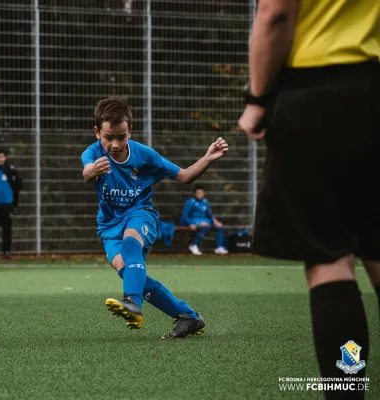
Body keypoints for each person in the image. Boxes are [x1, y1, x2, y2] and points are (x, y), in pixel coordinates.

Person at [238, 0, 380, 397]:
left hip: (321, 93)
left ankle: (346, 390)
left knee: (328, 258)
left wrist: (257, 99)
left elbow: (276, 13)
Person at [82, 97, 228, 338]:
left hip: (141, 214)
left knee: (131, 246)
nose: (116, 144)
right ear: (98, 132)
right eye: (109, 137)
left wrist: (208, 158)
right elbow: (87, 170)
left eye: (122, 136)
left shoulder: (144, 155)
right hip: (108, 225)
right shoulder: (92, 153)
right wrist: (91, 171)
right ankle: (189, 317)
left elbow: (183, 176)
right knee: (130, 272)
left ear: (131, 131)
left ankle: (132, 303)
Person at [180, 185, 228, 255]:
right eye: (198, 193)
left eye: (201, 192)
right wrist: (190, 223)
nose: (199, 194)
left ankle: (219, 247)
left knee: (219, 227)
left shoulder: (205, 202)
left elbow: (209, 214)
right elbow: (184, 215)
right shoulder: (190, 202)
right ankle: (193, 245)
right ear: (194, 193)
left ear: (203, 193)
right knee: (206, 226)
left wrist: (215, 221)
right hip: (193, 220)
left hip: (205, 221)